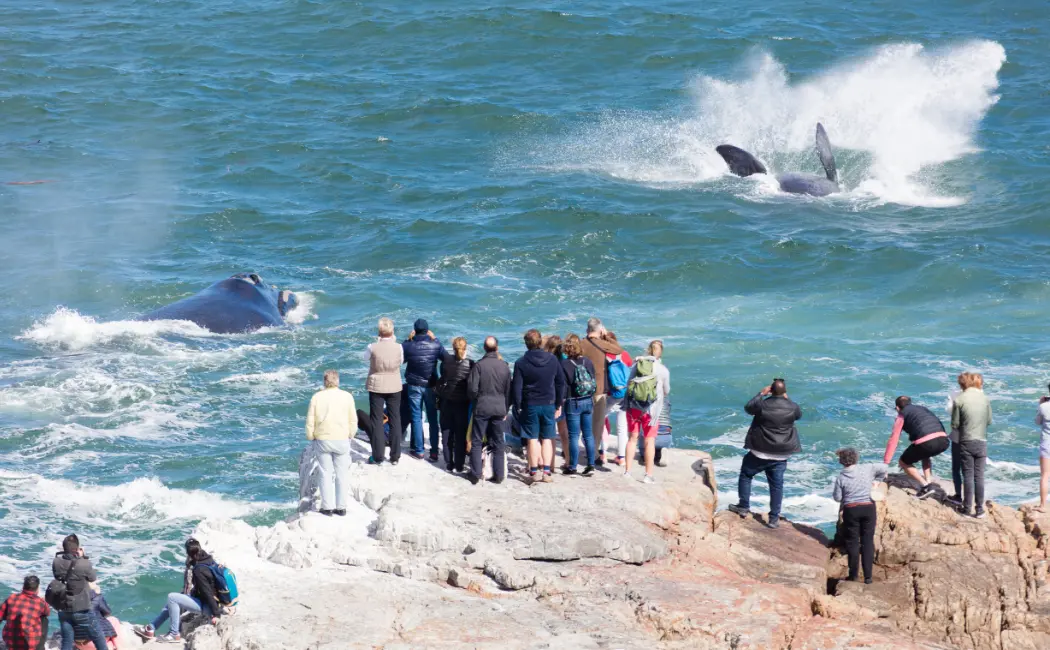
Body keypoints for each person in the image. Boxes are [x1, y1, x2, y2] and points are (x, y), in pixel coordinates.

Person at [727, 379, 802, 529]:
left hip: (759, 452)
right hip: (781, 454)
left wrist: (761, 393)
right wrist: (786, 398)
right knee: (776, 485)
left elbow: (749, 408)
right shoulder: (793, 407)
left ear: (771, 391)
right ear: (784, 392)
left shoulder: (762, 405)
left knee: (746, 475)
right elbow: (798, 415)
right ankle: (773, 519)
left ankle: (743, 506)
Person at [134, 538, 224, 644]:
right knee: (174, 600)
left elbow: (207, 592)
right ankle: (151, 628)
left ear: (188, 553)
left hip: (207, 606)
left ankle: (174, 634)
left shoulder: (199, 570)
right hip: (210, 601)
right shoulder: (208, 559)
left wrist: (216, 614)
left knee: (172, 597)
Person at [513, 329, 567, 484]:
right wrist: (558, 403)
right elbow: (560, 383)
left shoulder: (521, 362)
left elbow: (517, 388)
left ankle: (534, 471)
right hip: (549, 403)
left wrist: (517, 407)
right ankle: (547, 472)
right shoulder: (552, 359)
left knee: (532, 438)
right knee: (547, 438)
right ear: (540, 342)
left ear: (526, 344)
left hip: (530, 404)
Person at [832, 448, 888, 585]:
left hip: (851, 510)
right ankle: (868, 577)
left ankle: (853, 575)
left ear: (841, 461)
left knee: (853, 542)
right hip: (868, 507)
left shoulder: (841, 478)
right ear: (856, 458)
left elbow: (837, 498)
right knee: (868, 541)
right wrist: (877, 481)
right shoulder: (867, 468)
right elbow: (884, 468)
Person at [305, 369, 357, 516]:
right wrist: (351, 434)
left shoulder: (317, 397)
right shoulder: (347, 396)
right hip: (342, 438)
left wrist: (310, 436)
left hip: (323, 439)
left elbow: (310, 420)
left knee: (325, 473)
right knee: (342, 474)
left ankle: (327, 507)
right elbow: (353, 419)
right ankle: (341, 507)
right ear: (337, 381)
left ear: (324, 381)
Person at [581, 319, 632, 467]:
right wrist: (607, 336)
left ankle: (587, 449)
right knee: (597, 423)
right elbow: (618, 350)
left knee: (584, 421)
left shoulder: (581, 343)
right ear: (599, 330)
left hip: (581, 388)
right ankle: (594, 453)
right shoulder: (602, 344)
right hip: (599, 389)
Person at [882, 396, 949, 499]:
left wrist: (885, 464)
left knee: (903, 462)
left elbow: (893, 440)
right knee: (925, 454)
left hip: (927, 442)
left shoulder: (902, 414)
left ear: (897, 408)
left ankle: (926, 486)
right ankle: (929, 481)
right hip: (944, 440)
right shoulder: (922, 409)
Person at [52, 535, 110, 650]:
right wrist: (83, 557)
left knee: (67, 642)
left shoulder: (56, 562)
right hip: (82, 609)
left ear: (64, 548)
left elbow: (58, 575)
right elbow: (92, 578)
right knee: (98, 637)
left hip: (64, 609)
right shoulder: (84, 563)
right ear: (77, 548)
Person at [624, 340, 671, 483]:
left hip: (634, 408)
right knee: (649, 440)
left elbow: (629, 383)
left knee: (632, 438)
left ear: (648, 350)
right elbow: (667, 391)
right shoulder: (663, 369)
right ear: (660, 352)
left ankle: (627, 472)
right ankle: (648, 475)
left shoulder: (637, 365)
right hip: (651, 410)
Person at [467, 336, 511, 484]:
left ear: (484, 348)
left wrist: (477, 400)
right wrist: (506, 408)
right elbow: (508, 391)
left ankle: (476, 473)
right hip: (499, 407)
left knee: (477, 440)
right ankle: (499, 475)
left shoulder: (479, 366)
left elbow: (472, 390)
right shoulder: (504, 366)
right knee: (498, 441)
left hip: (482, 406)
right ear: (497, 348)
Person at [402, 319, 446, 461]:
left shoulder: (408, 345)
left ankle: (419, 450)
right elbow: (446, 358)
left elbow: (400, 359)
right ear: (427, 331)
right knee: (433, 419)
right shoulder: (435, 344)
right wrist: (435, 339)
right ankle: (433, 452)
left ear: (414, 330)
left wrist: (408, 340)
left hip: (414, 385)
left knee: (416, 417)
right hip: (431, 385)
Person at [364, 317, 403, 466]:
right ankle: (395, 456)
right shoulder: (399, 347)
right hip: (394, 385)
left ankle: (378, 455)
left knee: (377, 420)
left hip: (376, 386)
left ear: (379, 332)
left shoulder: (372, 346)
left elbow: (365, 358)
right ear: (392, 331)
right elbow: (400, 361)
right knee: (395, 419)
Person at [952, 372, 992, 518]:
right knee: (979, 476)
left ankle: (967, 508)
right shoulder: (985, 398)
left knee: (968, 476)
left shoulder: (959, 399)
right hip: (981, 441)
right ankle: (980, 509)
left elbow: (955, 424)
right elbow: (989, 421)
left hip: (966, 441)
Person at [560, 334, 597, 476]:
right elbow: (593, 380)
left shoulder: (564, 364)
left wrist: (560, 402)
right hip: (588, 399)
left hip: (573, 401)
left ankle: (573, 466)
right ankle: (591, 465)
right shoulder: (587, 362)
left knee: (574, 435)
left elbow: (563, 387)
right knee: (588, 434)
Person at [437, 337, 474, 473]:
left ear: (453, 348)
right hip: (462, 405)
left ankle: (449, 463)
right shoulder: (471, 364)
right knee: (460, 435)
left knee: (446, 432)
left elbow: (442, 379)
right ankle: (459, 465)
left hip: (447, 402)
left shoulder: (445, 362)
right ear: (466, 348)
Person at [0, 575, 50, 650]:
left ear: (23, 587)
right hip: (29, 644)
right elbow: (47, 612)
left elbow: (1, 614)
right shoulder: (40, 602)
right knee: (44, 618)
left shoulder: (12, 597)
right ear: (37, 589)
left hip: (10, 641)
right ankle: (40, 648)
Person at [544, 335, 570, 469]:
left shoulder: (549, 361)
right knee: (563, 431)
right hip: (565, 398)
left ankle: (551, 464)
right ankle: (568, 461)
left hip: (552, 399)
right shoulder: (566, 361)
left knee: (550, 433)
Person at [945, 374, 968, 506]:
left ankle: (959, 496)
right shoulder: (980, 398)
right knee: (970, 470)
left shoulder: (957, 397)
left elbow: (951, 413)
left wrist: (950, 399)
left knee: (956, 468)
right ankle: (972, 499)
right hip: (976, 438)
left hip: (958, 437)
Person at [1035, 383, 1050, 513]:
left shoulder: (1044, 406)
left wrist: (1040, 404)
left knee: (1045, 475)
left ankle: (1043, 506)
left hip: (1047, 444)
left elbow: (1037, 422)